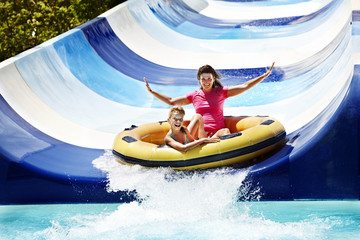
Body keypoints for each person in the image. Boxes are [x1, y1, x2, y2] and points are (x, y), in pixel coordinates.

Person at [145, 62, 275, 139]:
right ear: (199, 80)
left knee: (225, 132)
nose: (206, 82)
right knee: (196, 117)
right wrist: (152, 92)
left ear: (213, 79)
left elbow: (244, 86)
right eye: (203, 79)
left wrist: (264, 76)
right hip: (199, 135)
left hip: (215, 135)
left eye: (209, 79)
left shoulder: (221, 92)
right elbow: (172, 101)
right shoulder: (194, 95)